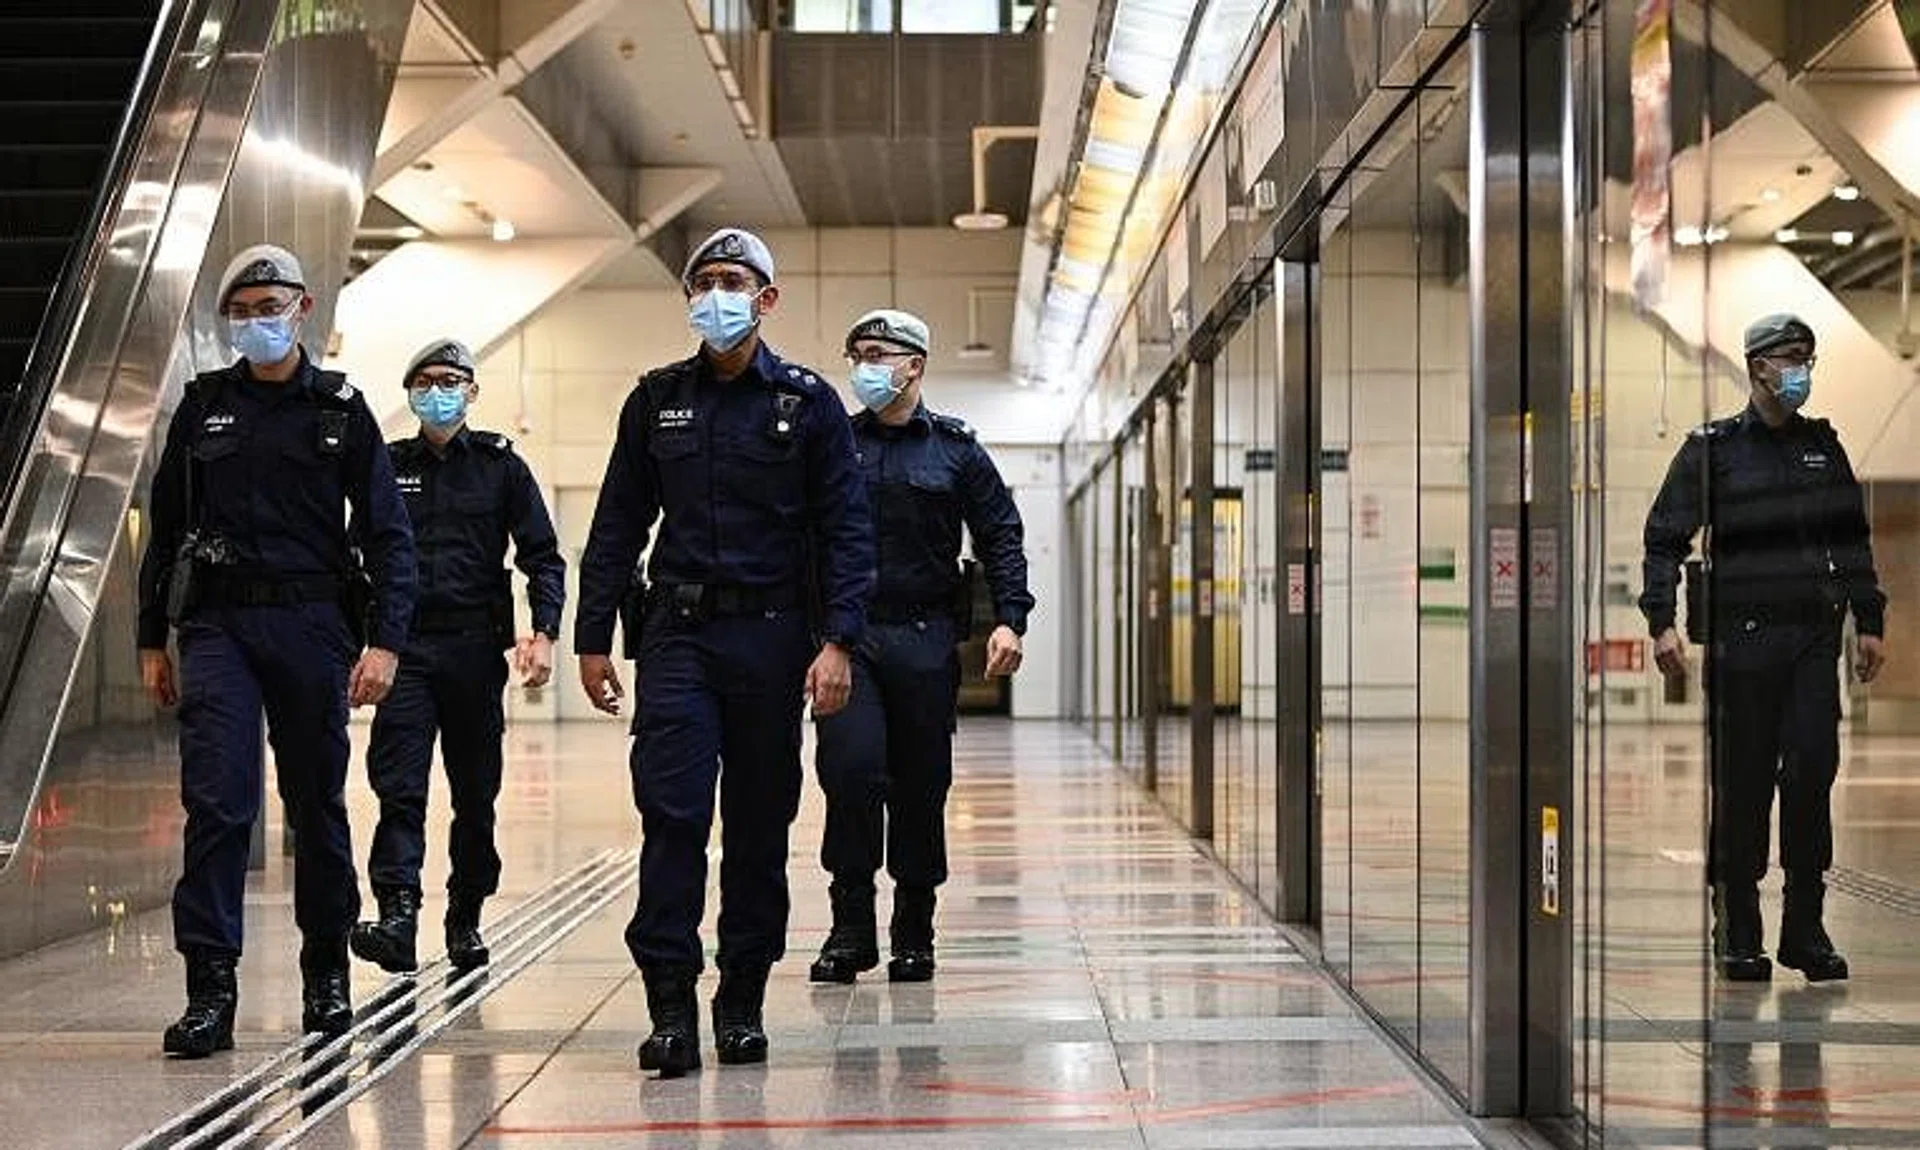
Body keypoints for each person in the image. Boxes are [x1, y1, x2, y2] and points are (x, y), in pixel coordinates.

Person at [574, 227, 873, 1076]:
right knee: (671, 811)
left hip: (774, 637)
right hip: (677, 633)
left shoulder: (808, 403)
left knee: (756, 820)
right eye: (703, 281)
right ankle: (669, 1002)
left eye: (734, 280)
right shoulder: (656, 399)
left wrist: (839, 642)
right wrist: (593, 636)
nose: (716, 294)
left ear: (767, 298)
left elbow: (845, 531)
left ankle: (740, 998)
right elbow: (616, 525)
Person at [137, 244, 416, 1056]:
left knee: (315, 804)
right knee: (218, 803)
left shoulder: (340, 409)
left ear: (302, 310)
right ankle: (210, 989)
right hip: (218, 626)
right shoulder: (202, 408)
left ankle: (325, 974)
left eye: (273, 305)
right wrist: (153, 637)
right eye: (245, 309)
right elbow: (167, 530)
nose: (260, 320)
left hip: (312, 624)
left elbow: (387, 537)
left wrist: (385, 643)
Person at [1641, 312, 1888, 984]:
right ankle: (1738, 926)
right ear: (1757, 367)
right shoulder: (1713, 449)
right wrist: (1662, 620)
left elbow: (1851, 540)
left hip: (1812, 639)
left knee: (1811, 774)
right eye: (1790, 357)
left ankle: (1804, 931)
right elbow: (1665, 538)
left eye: (1808, 357)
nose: (1801, 369)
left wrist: (1869, 620)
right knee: (1744, 786)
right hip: (1742, 644)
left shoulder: (1823, 447)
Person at [809, 309, 1034, 985]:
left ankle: (914, 928)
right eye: (856, 355)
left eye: (878, 354)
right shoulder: (833, 447)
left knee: (920, 785)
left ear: (915, 365)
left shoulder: (957, 451)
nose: (864, 367)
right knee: (849, 773)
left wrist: (1010, 619)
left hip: (926, 637)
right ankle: (850, 928)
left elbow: (1001, 534)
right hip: (849, 638)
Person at [349, 339, 566, 977]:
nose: (437, 391)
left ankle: (465, 915)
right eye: (425, 380)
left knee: (476, 795)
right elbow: (354, 558)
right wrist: (358, 644)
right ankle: (397, 916)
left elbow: (541, 556)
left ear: (471, 392)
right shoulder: (386, 466)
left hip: (475, 651)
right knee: (400, 787)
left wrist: (544, 632)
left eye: (450, 380)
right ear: (410, 391)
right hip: (406, 649)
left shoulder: (502, 467)